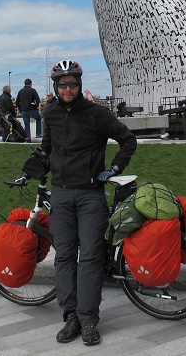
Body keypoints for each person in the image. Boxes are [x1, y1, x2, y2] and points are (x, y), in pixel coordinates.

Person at [40, 59, 137, 345]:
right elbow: (48, 149)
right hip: (61, 192)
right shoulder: (51, 113)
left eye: (72, 83)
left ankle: (89, 320)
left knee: (92, 257)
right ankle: (70, 317)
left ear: (79, 85)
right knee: (65, 256)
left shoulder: (96, 113)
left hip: (90, 194)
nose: (67, 88)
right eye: (62, 84)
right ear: (55, 87)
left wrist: (115, 169)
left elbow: (127, 140)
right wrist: (37, 163)